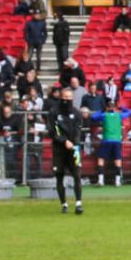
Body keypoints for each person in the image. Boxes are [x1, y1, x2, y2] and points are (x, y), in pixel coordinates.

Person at [49, 84, 86, 214]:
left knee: (77, 175)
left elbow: (78, 130)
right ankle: (64, 204)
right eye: (65, 97)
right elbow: (52, 131)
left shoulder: (76, 113)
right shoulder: (54, 112)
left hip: (74, 149)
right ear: (61, 98)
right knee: (59, 176)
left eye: (70, 97)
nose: (67, 100)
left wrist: (73, 143)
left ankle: (78, 204)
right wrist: (64, 141)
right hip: (59, 150)